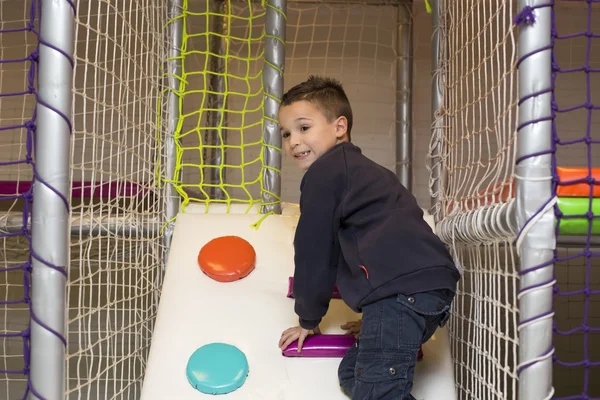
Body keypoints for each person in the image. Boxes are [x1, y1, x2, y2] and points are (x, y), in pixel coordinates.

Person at [277, 75, 460, 399]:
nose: (293, 141)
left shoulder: (325, 174)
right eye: (286, 133)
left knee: (377, 392)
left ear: (339, 127)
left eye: (304, 128)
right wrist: (380, 317)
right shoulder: (365, 172)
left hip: (403, 296)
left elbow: (314, 249)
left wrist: (308, 318)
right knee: (353, 376)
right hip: (428, 290)